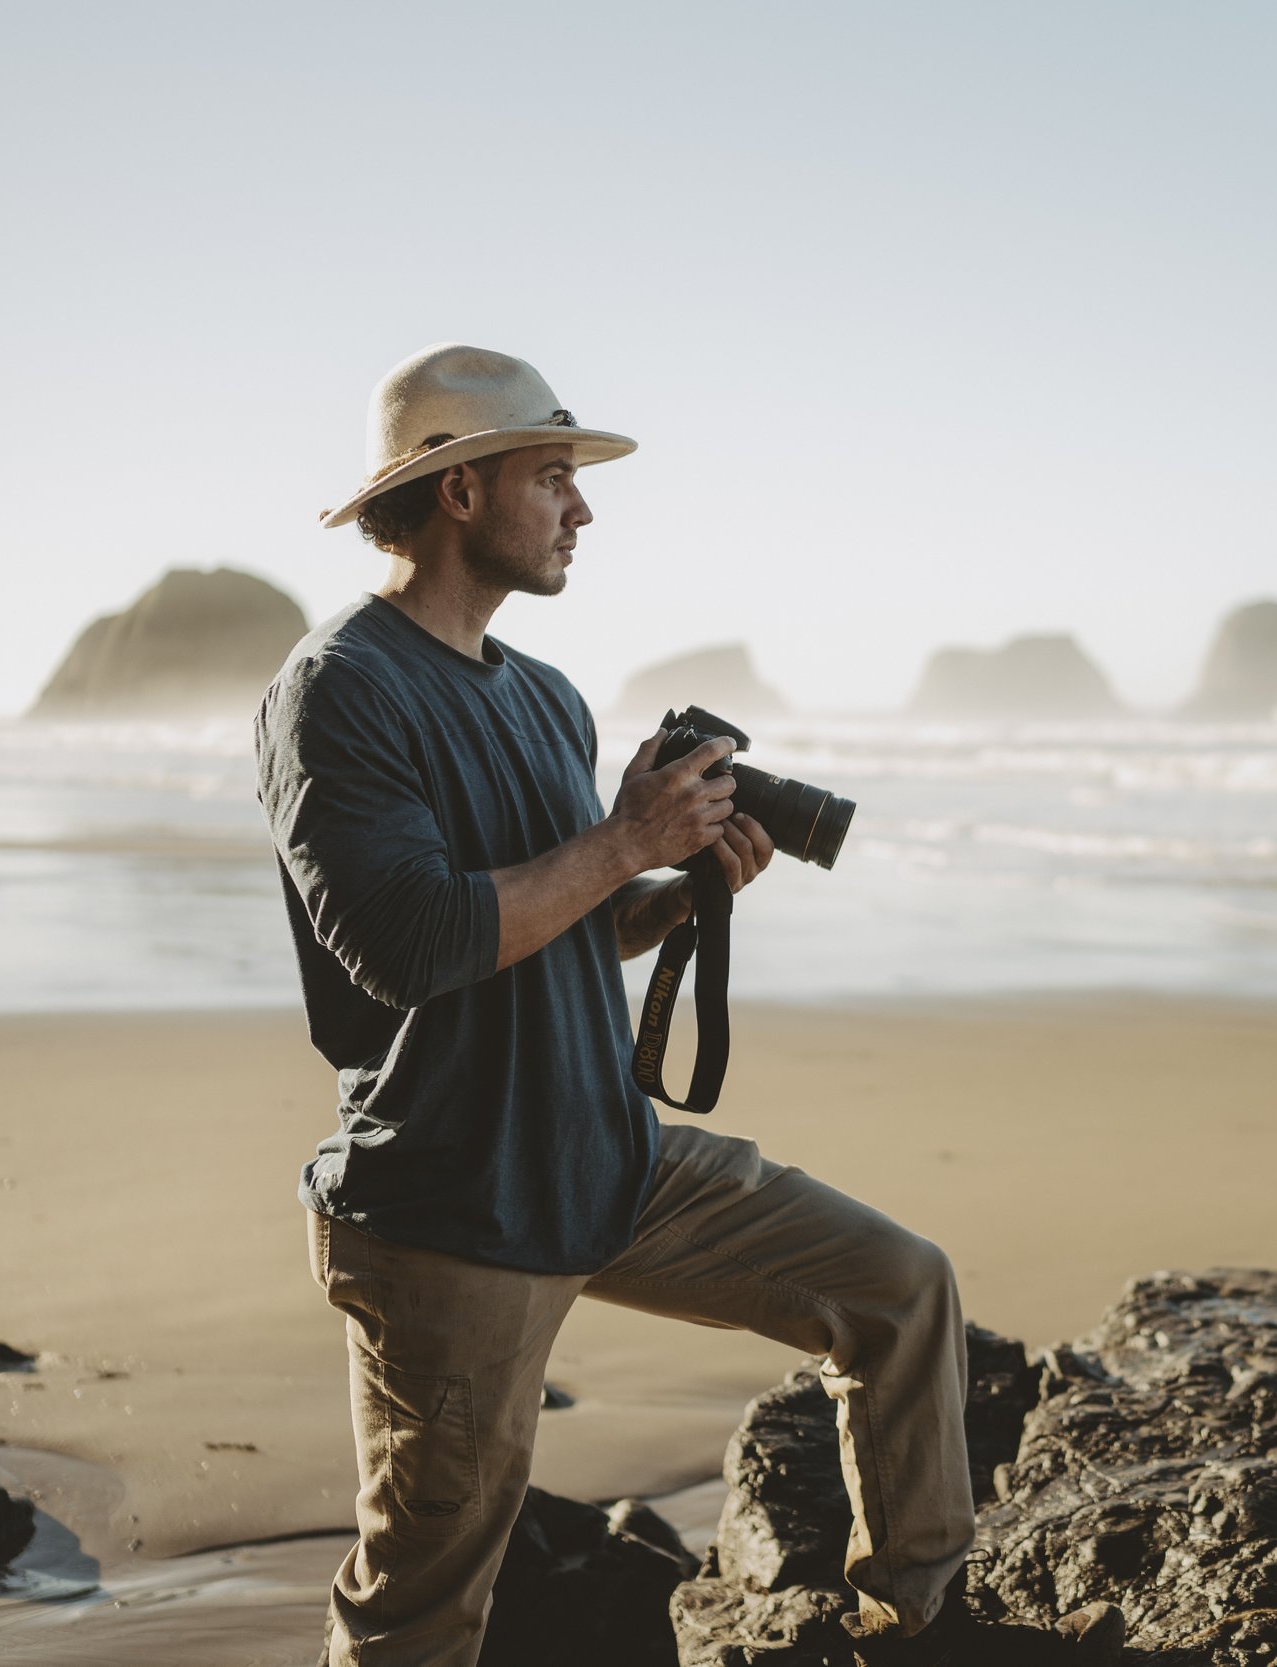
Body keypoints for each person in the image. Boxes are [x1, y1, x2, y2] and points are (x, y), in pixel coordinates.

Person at [258, 343, 975, 1666]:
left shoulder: (543, 696)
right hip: (452, 1203)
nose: (582, 508)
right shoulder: (341, 688)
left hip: (608, 1158)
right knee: (422, 1605)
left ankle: (914, 1626)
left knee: (900, 1290)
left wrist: (677, 892)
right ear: (460, 490)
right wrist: (625, 841)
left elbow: (564, 921)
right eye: (553, 477)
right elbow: (409, 948)